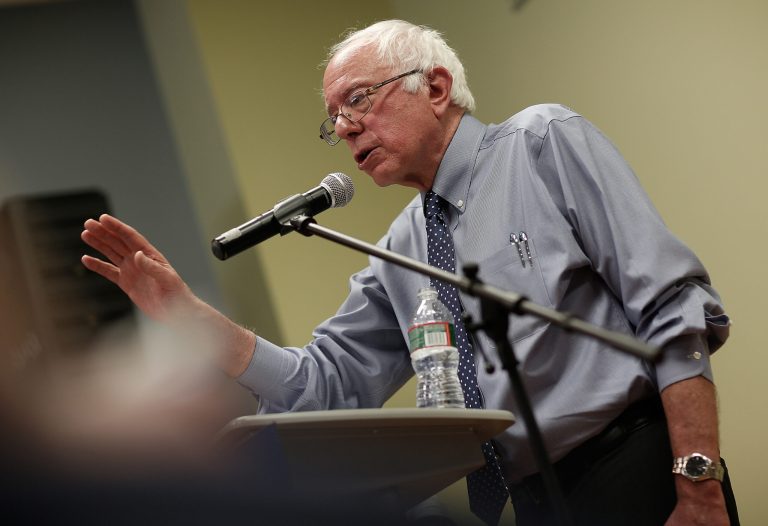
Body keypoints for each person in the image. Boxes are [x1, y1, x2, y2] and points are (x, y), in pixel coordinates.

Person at [81, 19, 738, 526]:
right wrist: (190, 318)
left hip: (639, 467)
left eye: (357, 100)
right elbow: (323, 389)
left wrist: (698, 479)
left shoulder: (542, 144)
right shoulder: (400, 249)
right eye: (334, 117)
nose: (344, 126)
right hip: (533, 501)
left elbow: (673, 309)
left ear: (437, 88)